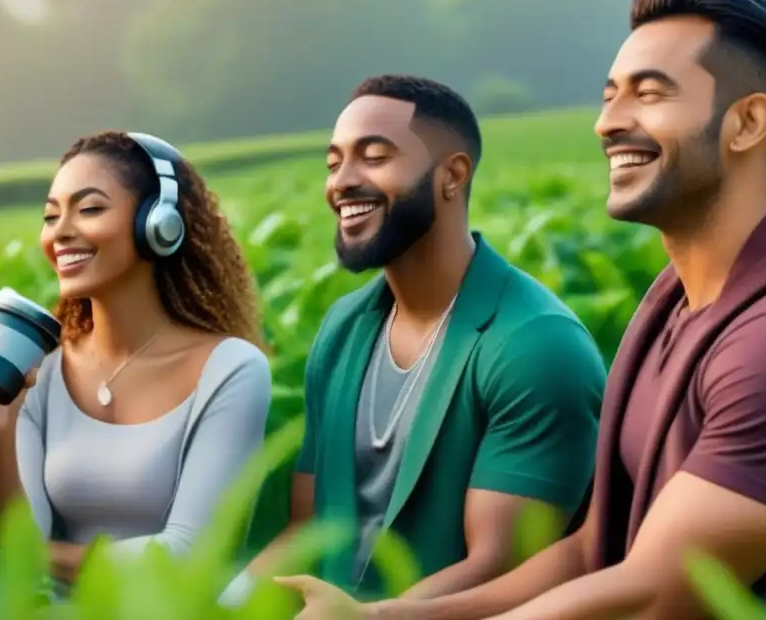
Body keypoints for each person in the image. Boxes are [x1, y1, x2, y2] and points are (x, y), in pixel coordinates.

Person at [280, 0, 766, 619]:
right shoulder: (676, 306)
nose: (608, 122)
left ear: (748, 122)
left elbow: (658, 595)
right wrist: (377, 617)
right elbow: (590, 554)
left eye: (650, 93)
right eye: (609, 96)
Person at [221, 75, 606, 609]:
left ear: (452, 175)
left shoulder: (535, 345)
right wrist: (221, 603)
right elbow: (307, 528)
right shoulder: (341, 329)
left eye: (374, 157)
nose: (342, 183)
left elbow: (503, 565)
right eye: (334, 164)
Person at [0, 130, 272, 594]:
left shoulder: (232, 369)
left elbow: (186, 556)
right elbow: (0, 551)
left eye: (89, 209)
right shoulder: (42, 367)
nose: (61, 231)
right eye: (50, 215)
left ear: (160, 223)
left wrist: (31, 556)